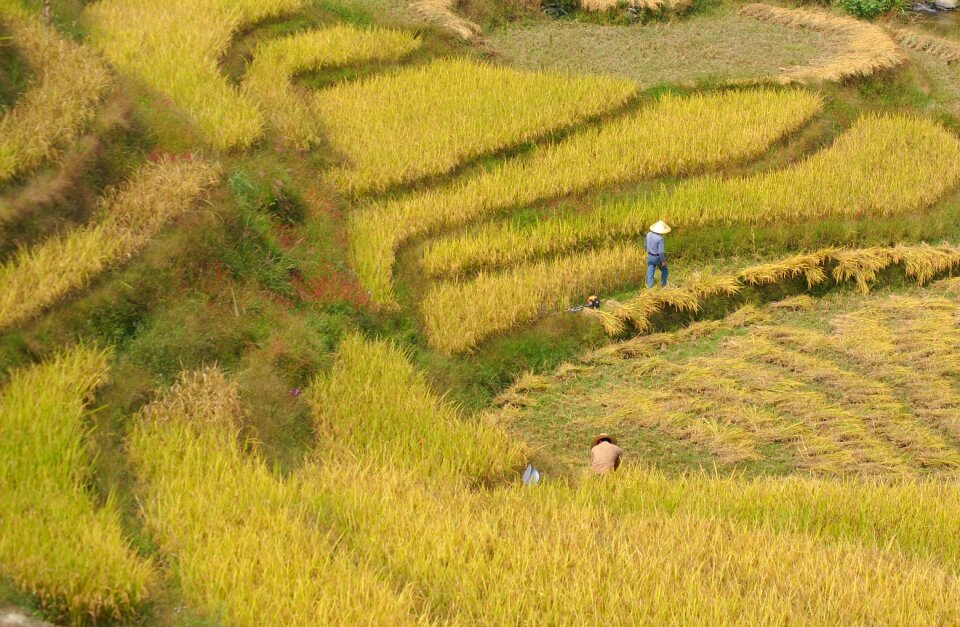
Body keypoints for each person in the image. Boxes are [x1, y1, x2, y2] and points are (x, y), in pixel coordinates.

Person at [645, 220, 671, 288]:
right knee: (664, 270)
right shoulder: (660, 238)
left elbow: (645, 245)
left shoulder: (648, 234)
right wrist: (663, 261)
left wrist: (648, 252)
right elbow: (661, 252)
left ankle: (650, 288)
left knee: (650, 272)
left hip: (649, 256)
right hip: (656, 257)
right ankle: (663, 285)